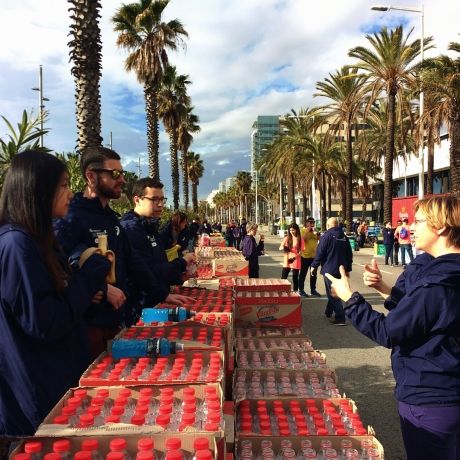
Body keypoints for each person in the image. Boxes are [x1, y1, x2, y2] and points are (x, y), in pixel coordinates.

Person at [326, 196, 460, 460]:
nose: (411, 226)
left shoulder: (438, 284)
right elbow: (430, 316)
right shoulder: (444, 276)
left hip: (431, 397)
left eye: (419, 221)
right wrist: (385, 288)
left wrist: (349, 298)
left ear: (442, 227)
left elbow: (390, 331)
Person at [0, 151, 112, 436]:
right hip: (37, 405)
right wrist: (87, 280)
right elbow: (45, 322)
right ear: (37, 190)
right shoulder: (16, 245)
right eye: (63, 185)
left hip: (57, 391)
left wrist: (88, 292)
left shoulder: (39, 241)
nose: (70, 192)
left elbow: (60, 301)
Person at [54, 146, 190, 359]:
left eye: (122, 174)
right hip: (87, 326)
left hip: (116, 321)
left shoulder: (110, 217)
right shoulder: (72, 217)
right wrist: (102, 288)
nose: (122, 180)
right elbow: (56, 267)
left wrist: (163, 294)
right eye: (115, 174)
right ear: (91, 176)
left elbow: (133, 262)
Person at [120, 178, 196, 287]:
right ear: (137, 200)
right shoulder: (131, 230)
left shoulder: (150, 226)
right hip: (141, 302)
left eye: (162, 199)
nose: (160, 204)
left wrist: (179, 278)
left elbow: (159, 268)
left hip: (156, 298)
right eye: (154, 199)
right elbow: (145, 274)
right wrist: (182, 262)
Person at [311, 217, 352, 325]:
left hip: (329, 269)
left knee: (332, 293)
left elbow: (320, 252)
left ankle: (340, 317)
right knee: (333, 291)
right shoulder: (344, 237)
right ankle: (328, 311)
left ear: (328, 225)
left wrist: (314, 266)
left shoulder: (327, 236)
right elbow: (349, 254)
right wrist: (348, 269)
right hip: (341, 269)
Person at [298, 217, 321, 297]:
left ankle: (313, 290)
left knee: (313, 274)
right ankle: (301, 290)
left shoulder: (314, 231)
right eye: (310, 222)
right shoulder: (303, 230)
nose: (312, 224)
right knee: (303, 274)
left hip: (314, 256)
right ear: (306, 223)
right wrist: (309, 230)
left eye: (313, 222)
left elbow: (318, 239)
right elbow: (304, 239)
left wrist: (317, 233)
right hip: (305, 256)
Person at [279, 223, 302, 291]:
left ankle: (295, 292)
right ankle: (282, 291)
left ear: (297, 230)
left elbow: (301, 251)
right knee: (283, 277)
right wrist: (284, 247)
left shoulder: (300, 239)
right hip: (287, 260)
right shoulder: (287, 238)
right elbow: (280, 247)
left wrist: (294, 258)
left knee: (295, 278)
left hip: (295, 260)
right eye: (290, 230)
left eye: (293, 230)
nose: (291, 232)